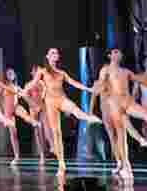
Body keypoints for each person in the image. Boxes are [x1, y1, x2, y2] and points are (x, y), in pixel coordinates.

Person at [26, 48, 101, 176]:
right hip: (50, 103)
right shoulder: (42, 71)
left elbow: (74, 83)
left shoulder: (61, 73)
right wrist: (23, 90)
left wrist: (88, 89)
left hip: (61, 99)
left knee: (75, 109)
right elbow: (33, 83)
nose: (55, 55)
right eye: (52, 53)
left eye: (56, 53)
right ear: (47, 56)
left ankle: (89, 118)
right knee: (56, 133)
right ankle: (61, 164)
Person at [0, 68, 40, 165]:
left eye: (12, 73)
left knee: (24, 114)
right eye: (8, 73)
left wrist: (33, 104)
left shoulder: (17, 87)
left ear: (14, 75)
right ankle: (16, 156)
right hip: (8, 111)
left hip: (16, 107)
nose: (10, 75)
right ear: (6, 76)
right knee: (13, 134)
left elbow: (25, 96)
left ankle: (34, 122)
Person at [21, 65, 54, 164]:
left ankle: (52, 146)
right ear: (32, 73)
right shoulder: (29, 84)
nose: (37, 73)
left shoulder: (42, 83)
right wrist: (32, 104)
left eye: (38, 72)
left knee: (47, 127)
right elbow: (25, 96)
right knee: (38, 132)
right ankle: (42, 155)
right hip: (33, 109)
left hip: (42, 107)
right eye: (35, 71)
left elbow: (45, 93)